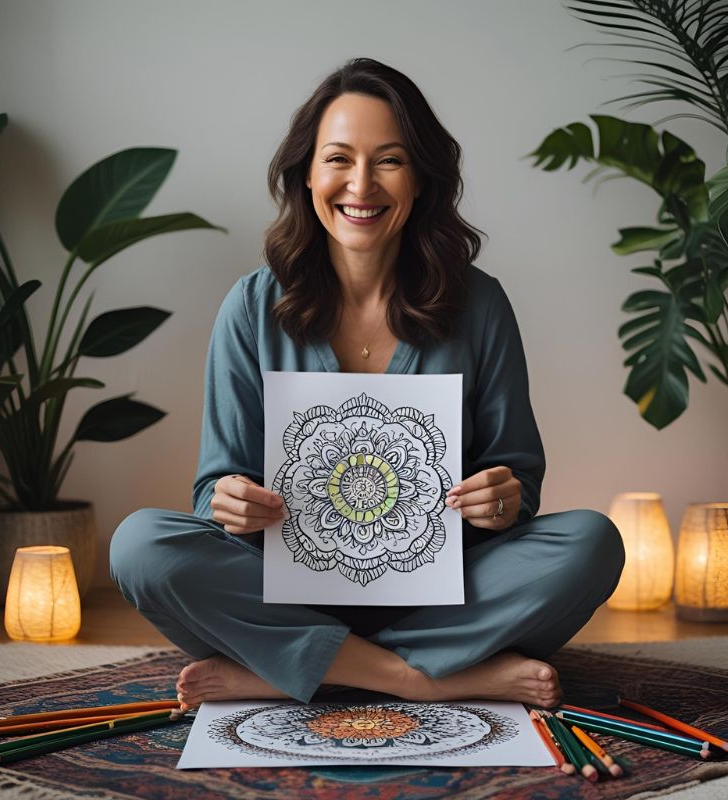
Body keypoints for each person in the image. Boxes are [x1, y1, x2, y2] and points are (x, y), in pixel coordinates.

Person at [110, 57, 624, 710]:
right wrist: (230, 499)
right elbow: (214, 487)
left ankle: (293, 670)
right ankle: (421, 677)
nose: (361, 184)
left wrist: (503, 497)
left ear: (420, 178)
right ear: (306, 173)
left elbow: (517, 478)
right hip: (286, 589)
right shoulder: (250, 307)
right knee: (142, 546)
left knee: (590, 543)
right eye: (338, 159)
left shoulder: (479, 304)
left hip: (442, 593)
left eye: (389, 160)